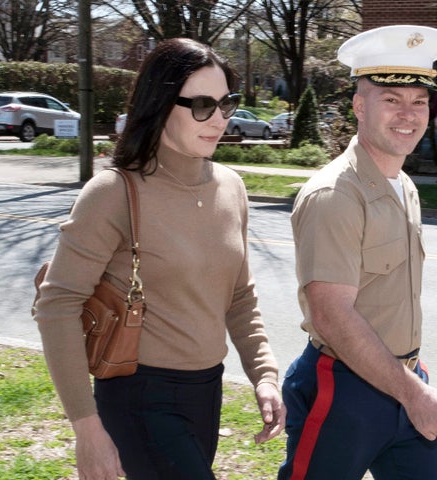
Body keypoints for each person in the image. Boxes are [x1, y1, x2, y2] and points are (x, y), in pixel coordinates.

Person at [33, 37, 285, 480]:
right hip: (137, 395)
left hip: (205, 391)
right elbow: (57, 306)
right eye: (202, 105)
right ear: (162, 103)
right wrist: (86, 427)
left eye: (227, 104)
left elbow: (240, 296)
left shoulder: (232, 187)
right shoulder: (113, 193)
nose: (220, 119)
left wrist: (263, 374)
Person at [278, 25, 437, 480]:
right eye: (391, 99)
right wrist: (414, 392)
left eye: (419, 101)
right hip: (342, 389)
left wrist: (410, 373)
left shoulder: (402, 184)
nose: (409, 114)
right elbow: (332, 316)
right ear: (360, 106)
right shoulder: (335, 195)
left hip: (401, 379)